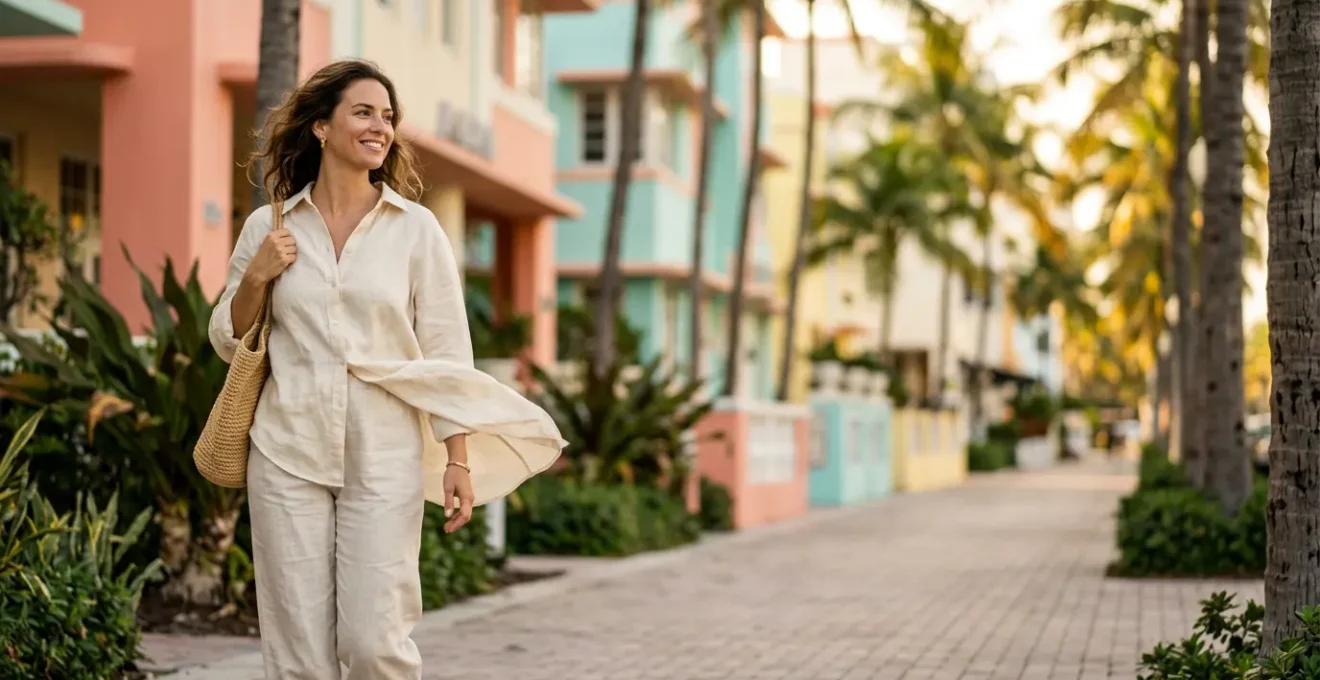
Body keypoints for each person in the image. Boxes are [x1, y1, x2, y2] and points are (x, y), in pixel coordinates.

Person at [208, 59, 566, 680]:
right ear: (321, 127)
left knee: (376, 643)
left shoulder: (416, 230)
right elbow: (226, 336)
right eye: (364, 112)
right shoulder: (268, 227)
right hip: (287, 449)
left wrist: (457, 457)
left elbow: (448, 352)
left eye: (388, 117)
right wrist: (259, 275)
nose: (381, 127)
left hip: (385, 452)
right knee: (297, 654)